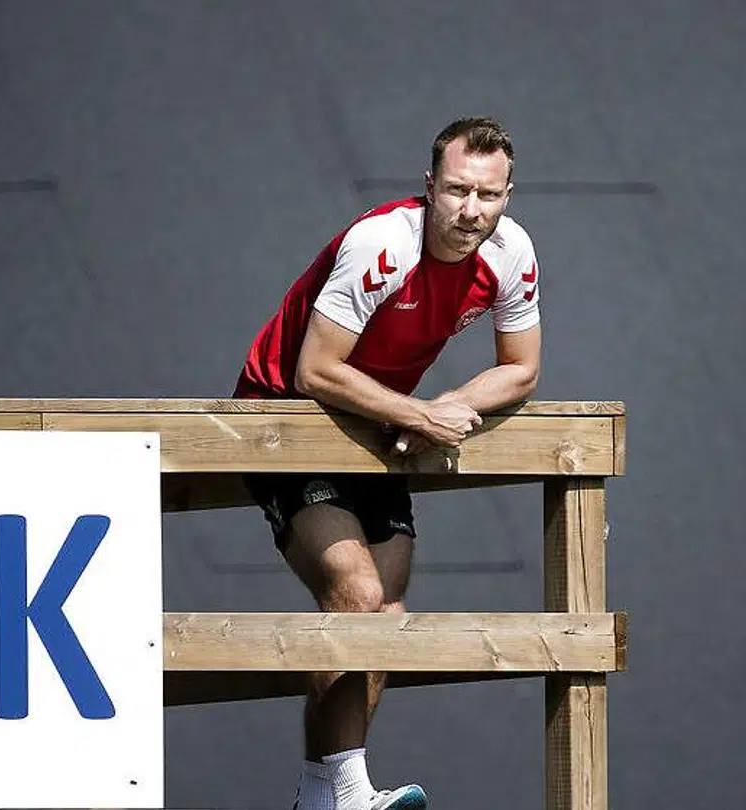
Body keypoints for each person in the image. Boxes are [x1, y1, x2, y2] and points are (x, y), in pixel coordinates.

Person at [232, 116, 542, 810]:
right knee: (356, 591)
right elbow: (315, 370)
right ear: (429, 187)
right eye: (457, 191)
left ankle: (326, 797)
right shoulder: (382, 244)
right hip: (287, 416)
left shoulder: (511, 253)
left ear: (508, 196)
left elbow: (521, 369)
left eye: (488, 195)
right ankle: (343, 794)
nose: (471, 211)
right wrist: (419, 416)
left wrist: (449, 404)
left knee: (386, 609)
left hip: (375, 422)